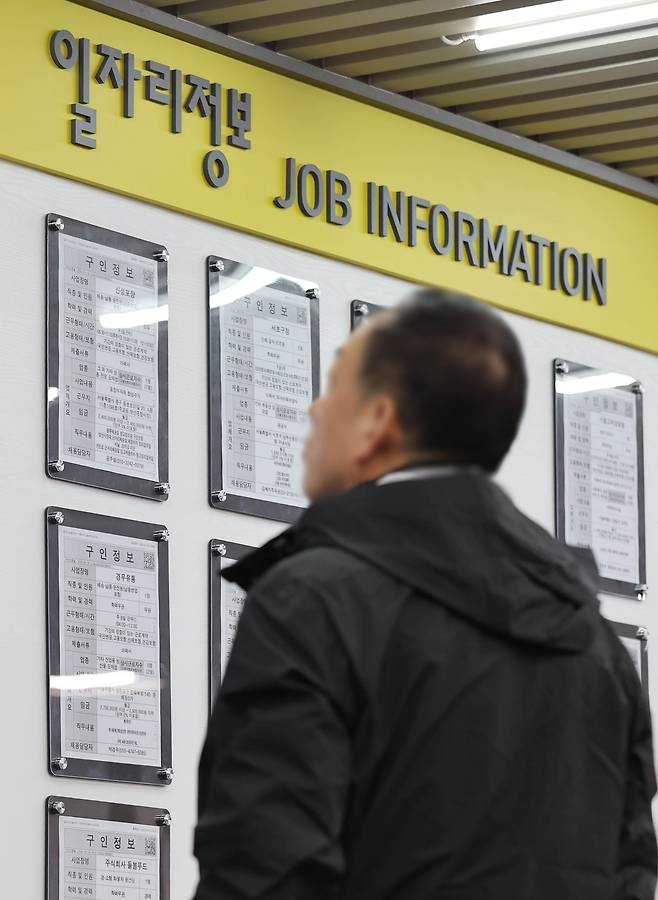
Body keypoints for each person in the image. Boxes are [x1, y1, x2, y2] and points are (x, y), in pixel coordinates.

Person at [193, 288, 656, 900]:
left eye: (334, 386)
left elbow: (265, 870)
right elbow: (630, 874)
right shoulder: (595, 642)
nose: (313, 411)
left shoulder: (313, 600)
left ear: (377, 423)